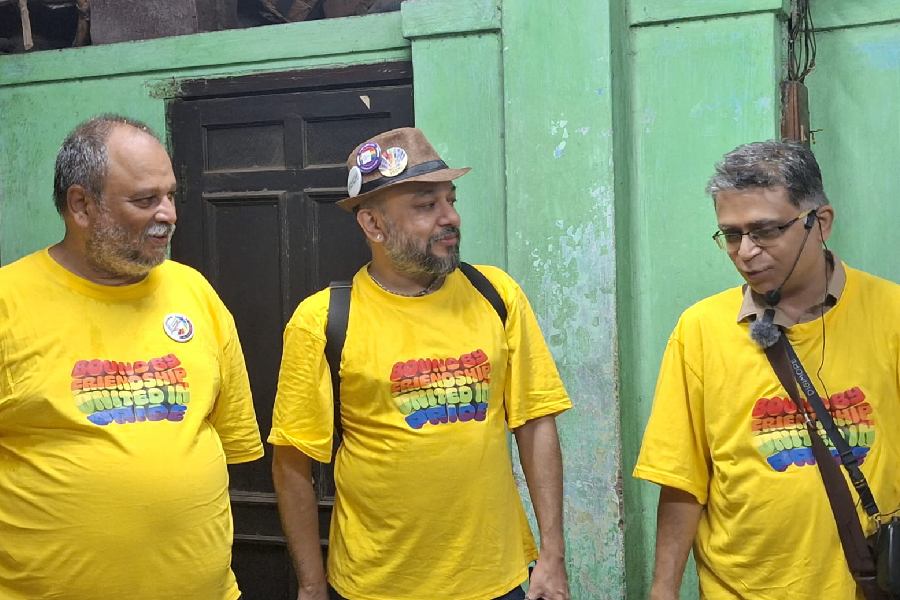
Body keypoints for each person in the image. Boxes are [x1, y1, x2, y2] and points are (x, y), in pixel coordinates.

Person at [270, 127, 572, 600]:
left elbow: (535, 422)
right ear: (373, 225)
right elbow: (292, 464)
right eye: (426, 206)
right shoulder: (323, 320)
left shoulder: (496, 295)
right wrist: (311, 585)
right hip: (377, 585)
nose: (450, 217)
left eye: (449, 200)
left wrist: (552, 556)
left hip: (500, 579)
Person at [0, 114, 264, 600]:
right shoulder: (8, 301)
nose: (169, 214)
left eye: (170, 195)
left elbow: (229, 439)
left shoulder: (194, 292)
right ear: (81, 205)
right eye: (145, 199)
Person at [634, 140, 900, 599]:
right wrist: (663, 591)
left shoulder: (891, 314)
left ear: (821, 224)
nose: (746, 252)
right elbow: (682, 483)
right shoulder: (699, 331)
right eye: (731, 235)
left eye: (765, 231)